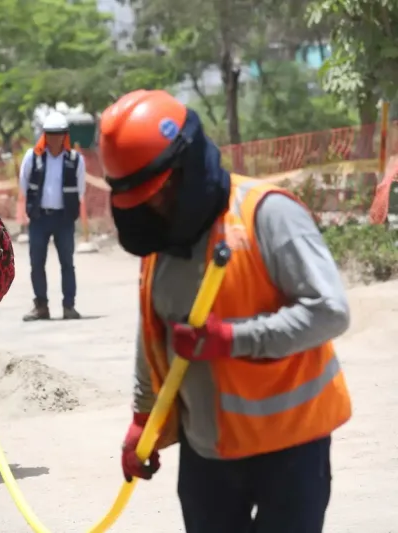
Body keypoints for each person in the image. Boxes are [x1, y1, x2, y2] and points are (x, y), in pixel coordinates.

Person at [100, 90, 352, 533]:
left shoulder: (266, 215)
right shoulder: (159, 243)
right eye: (141, 202)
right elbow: (152, 335)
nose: (153, 208)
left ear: (185, 166)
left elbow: (330, 310)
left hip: (290, 448)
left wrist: (234, 339)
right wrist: (144, 420)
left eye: (158, 194)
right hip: (208, 453)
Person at [18, 111, 86, 321]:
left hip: (64, 219)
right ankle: (41, 307)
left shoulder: (75, 160)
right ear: (44, 135)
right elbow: (24, 183)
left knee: (67, 262)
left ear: (65, 135)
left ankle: (69, 306)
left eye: (58, 134)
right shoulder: (33, 157)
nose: (54, 138)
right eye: (50, 134)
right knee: (37, 263)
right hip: (40, 218)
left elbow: (80, 188)